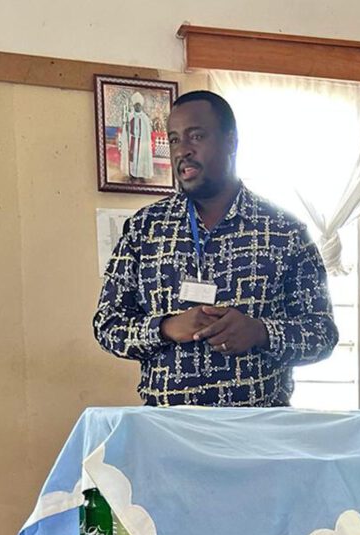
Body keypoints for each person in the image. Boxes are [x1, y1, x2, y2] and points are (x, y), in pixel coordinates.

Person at [94, 90, 338, 407]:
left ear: (231, 142)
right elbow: (108, 324)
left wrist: (260, 332)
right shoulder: (145, 229)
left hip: (256, 434)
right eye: (174, 140)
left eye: (196, 136)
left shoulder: (283, 231)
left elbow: (322, 334)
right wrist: (165, 328)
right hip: (167, 435)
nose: (184, 151)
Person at [119, 92, 154, 181]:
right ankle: (132, 174)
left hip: (142, 142)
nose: (137, 107)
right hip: (132, 141)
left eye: (139, 105)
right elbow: (125, 130)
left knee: (142, 157)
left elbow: (147, 132)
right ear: (134, 106)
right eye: (136, 105)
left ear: (141, 106)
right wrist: (126, 127)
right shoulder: (130, 116)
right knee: (132, 159)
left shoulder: (145, 118)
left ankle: (141, 174)